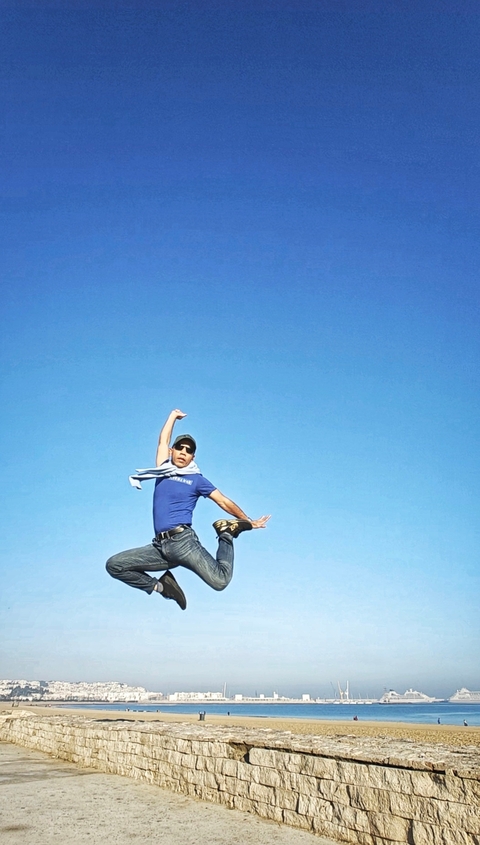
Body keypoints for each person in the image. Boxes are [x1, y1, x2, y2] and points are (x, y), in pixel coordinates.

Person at [106, 409, 271, 610]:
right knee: (115, 565)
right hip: (160, 548)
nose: (183, 452)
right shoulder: (163, 470)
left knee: (220, 581)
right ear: (172, 451)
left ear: (192, 457)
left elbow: (223, 501)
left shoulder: (196, 480)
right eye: (180, 448)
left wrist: (247, 521)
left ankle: (226, 534)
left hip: (184, 543)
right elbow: (162, 441)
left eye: (188, 451)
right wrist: (172, 417)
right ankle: (164, 587)